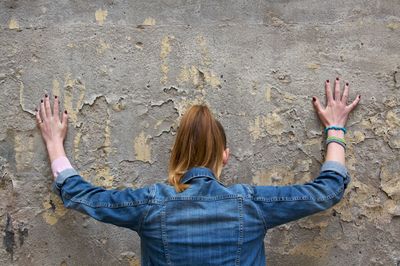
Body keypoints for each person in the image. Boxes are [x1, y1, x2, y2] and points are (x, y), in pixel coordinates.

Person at [35, 78, 360, 265]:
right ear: (225, 155)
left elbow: (78, 193)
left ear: (175, 154)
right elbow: (328, 190)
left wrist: (53, 142)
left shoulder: (150, 204)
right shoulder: (252, 204)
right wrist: (335, 128)